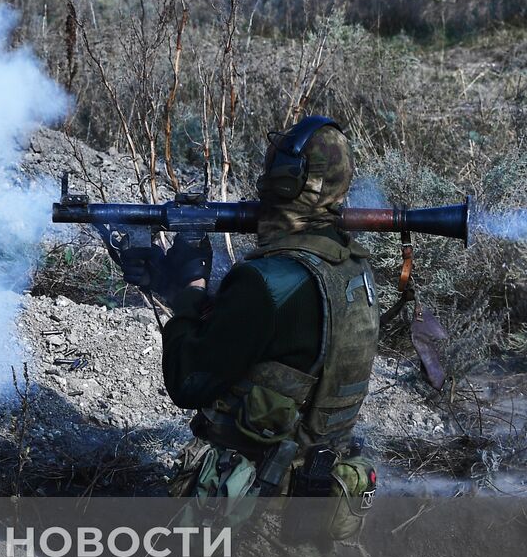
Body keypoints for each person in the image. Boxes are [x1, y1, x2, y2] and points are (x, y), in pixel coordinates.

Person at [121, 117, 379, 529]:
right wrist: (174, 289)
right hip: (314, 516)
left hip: (249, 529)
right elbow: (268, 341)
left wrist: (191, 289)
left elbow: (189, 380)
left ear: (284, 182)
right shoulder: (351, 268)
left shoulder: (268, 280)